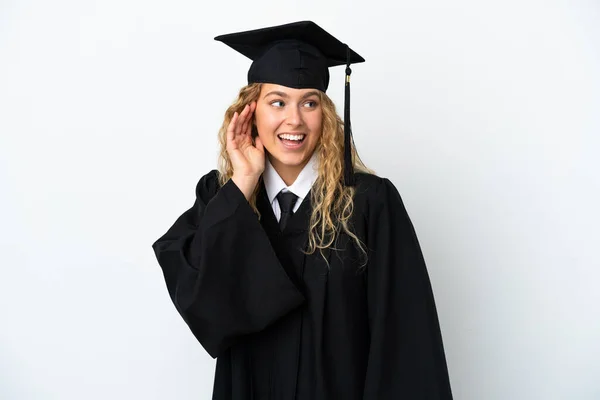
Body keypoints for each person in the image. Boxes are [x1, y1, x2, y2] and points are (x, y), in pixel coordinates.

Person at [152, 20, 453, 400]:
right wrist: (243, 182)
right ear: (250, 112)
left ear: (325, 114)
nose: (294, 119)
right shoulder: (221, 197)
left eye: (309, 102)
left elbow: (405, 338)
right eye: (277, 102)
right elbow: (204, 304)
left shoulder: (368, 203)